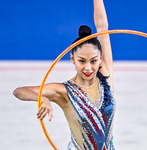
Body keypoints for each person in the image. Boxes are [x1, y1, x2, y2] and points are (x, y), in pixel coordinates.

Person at [13, 0, 115, 149]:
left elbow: (102, 27)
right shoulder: (65, 91)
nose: (88, 68)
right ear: (73, 59)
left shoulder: (106, 75)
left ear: (101, 59)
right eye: (82, 61)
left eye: (93, 61)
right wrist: (42, 98)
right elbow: (19, 91)